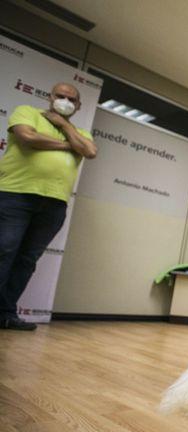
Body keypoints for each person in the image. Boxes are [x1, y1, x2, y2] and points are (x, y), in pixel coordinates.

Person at [0, 83, 97, 331]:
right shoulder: (28, 112)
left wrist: (64, 126)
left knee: (27, 259)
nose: (64, 101)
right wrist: (69, 144)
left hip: (54, 203)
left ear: (78, 106)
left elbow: (89, 151)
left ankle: (6, 313)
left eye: (71, 99)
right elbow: (27, 137)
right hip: (15, 195)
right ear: (50, 96)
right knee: (4, 250)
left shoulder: (80, 132)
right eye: (60, 96)